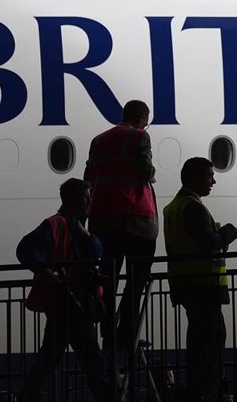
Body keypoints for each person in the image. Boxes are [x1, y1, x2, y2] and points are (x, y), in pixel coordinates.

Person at [17, 178, 115, 402]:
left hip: (66, 301)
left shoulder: (72, 226)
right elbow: (26, 249)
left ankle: (27, 397)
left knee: (50, 358)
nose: (90, 201)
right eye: (85, 196)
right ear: (72, 198)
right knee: (92, 360)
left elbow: (96, 250)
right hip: (69, 301)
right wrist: (50, 273)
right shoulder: (58, 225)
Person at [163, 157, 237, 402]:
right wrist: (230, 230)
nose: (213, 181)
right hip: (203, 287)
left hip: (186, 283)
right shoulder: (193, 207)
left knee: (204, 341)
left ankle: (205, 392)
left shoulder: (174, 207)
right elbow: (209, 244)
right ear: (194, 178)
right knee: (208, 346)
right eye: (209, 175)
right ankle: (205, 394)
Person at [84, 99, 158, 355]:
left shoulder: (98, 140)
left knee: (108, 278)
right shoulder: (139, 137)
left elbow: (89, 176)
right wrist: (152, 171)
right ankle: (125, 333)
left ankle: (107, 332)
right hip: (136, 219)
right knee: (137, 281)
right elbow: (145, 170)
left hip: (102, 218)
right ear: (141, 118)